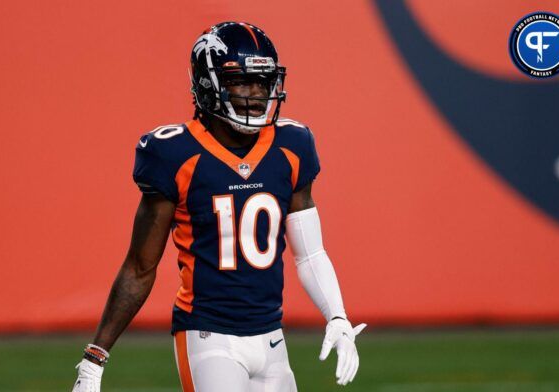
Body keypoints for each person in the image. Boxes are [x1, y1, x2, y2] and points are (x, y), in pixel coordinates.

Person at [71, 21, 365, 392]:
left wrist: (336, 317)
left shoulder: (292, 145)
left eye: (264, 81)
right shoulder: (174, 153)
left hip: (272, 338)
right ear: (209, 84)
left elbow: (310, 253)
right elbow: (141, 267)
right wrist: (95, 358)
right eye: (242, 81)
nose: (257, 93)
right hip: (208, 336)